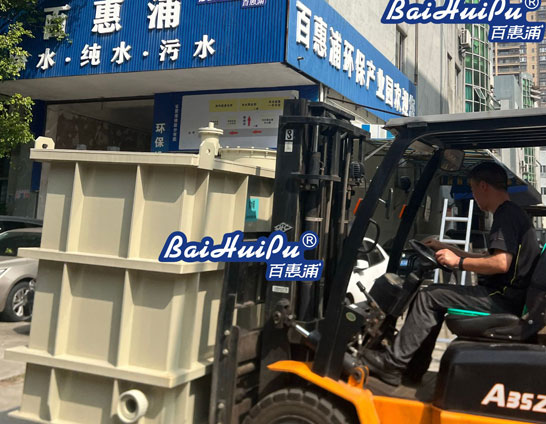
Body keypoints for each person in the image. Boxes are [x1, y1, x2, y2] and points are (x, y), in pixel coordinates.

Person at [362, 162, 539, 386]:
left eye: (473, 189)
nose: (474, 196)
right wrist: (447, 248)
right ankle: (413, 369)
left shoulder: (506, 215)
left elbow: (500, 263)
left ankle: (393, 364)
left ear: (483, 186)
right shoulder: (513, 213)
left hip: (502, 298)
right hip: (508, 296)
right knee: (434, 296)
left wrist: (458, 262)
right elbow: (488, 257)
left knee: (429, 296)